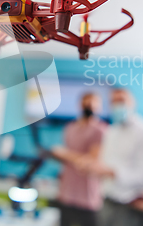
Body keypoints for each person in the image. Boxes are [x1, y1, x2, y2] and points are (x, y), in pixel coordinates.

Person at [82, 88, 143, 226]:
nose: (117, 105)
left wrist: (111, 172)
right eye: (113, 101)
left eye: (121, 100)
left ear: (132, 102)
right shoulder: (111, 131)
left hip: (131, 205)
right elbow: (105, 161)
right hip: (107, 201)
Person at [51, 92, 107, 226]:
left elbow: (91, 161)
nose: (89, 107)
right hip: (66, 193)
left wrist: (64, 154)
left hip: (88, 197)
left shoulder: (101, 130)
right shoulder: (70, 128)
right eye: (86, 103)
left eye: (93, 104)